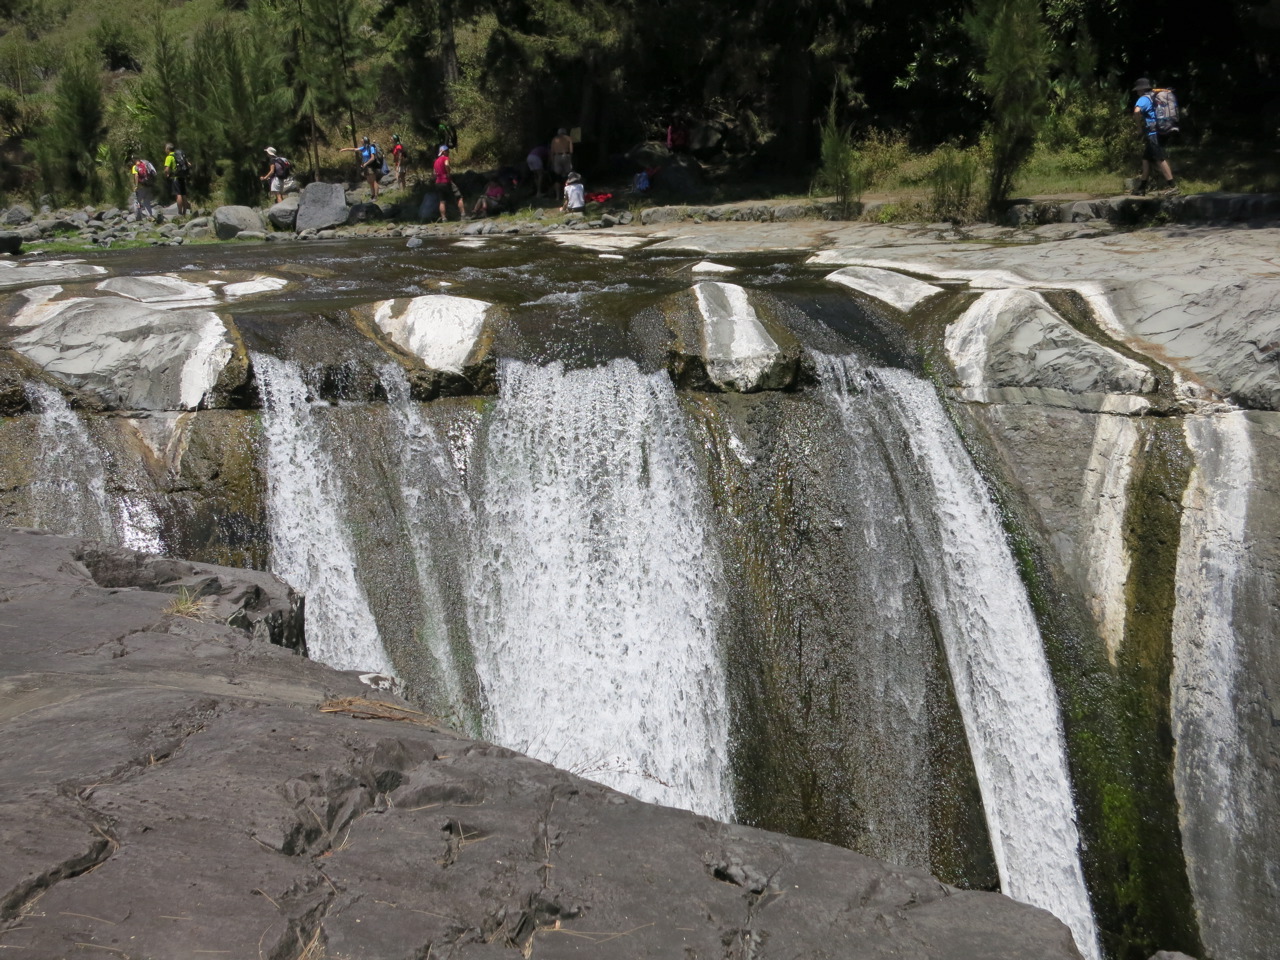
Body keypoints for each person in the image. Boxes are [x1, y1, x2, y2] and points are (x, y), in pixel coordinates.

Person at [1132, 78, 1177, 195]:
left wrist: (1139, 128)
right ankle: (1141, 189)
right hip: (1159, 131)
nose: (1137, 92)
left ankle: (1173, 186)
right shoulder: (1153, 97)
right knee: (1146, 159)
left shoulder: (1143, 98)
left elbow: (1136, 111)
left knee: (1159, 159)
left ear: (1141, 89)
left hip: (1153, 134)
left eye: (1138, 90)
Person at [433, 145, 466, 221]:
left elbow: (434, 173)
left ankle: (444, 218)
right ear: (444, 152)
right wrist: (448, 173)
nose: (448, 152)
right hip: (446, 181)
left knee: (442, 201)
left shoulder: (436, 161)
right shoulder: (445, 158)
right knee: (459, 196)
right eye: (447, 151)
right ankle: (463, 215)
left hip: (438, 182)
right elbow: (446, 164)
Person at [163, 142, 190, 217]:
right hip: (183, 176)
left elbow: (167, 169)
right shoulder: (179, 155)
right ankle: (185, 212)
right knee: (183, 194)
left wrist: (166, 174)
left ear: (168, 149)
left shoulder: (169, 157)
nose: (165, 150)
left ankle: (180, 212)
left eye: (165, 149)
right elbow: (188, 164)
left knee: (178, 194)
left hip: (176, 177)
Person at [131, 155, 158, 221]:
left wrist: (136, 185)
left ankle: (138, 217)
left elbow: (136, 176)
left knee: (137, 202)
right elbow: (154, 173)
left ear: (134, 160)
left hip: (141, 187)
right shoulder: (146, 164)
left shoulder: (135, 167)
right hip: (149, 185)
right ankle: (150, 216)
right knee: (147, 202)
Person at [550, 127, 573, 198]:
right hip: (566, 155)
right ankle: (567, 195)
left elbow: (552, 151)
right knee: (568, 175)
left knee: (557, 176)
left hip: (557, 156)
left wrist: (552, 161)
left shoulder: (554, 139)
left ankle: (557, 196)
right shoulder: (568, 138)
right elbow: (571, 150)